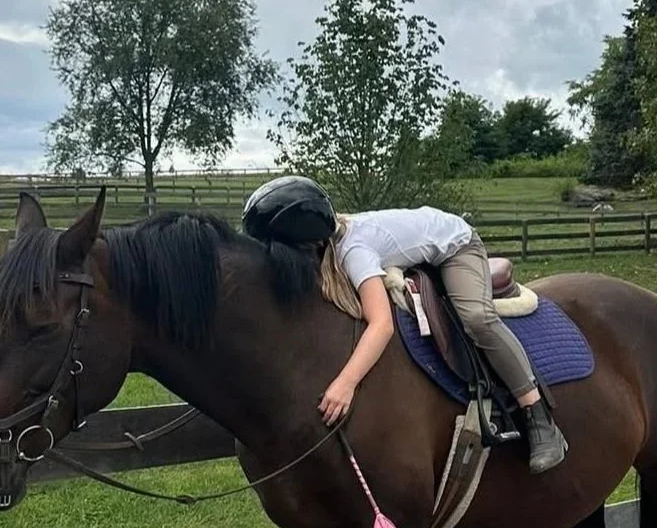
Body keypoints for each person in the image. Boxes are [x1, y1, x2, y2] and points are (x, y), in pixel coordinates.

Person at [242, 176, 567, 474]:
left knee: (477, 319)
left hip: (457, 245)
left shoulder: (354, 253)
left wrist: (346, 383)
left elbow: (382, 324)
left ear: (305, 245)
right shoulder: (330, 241)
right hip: (422, 239)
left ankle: (537, 415)